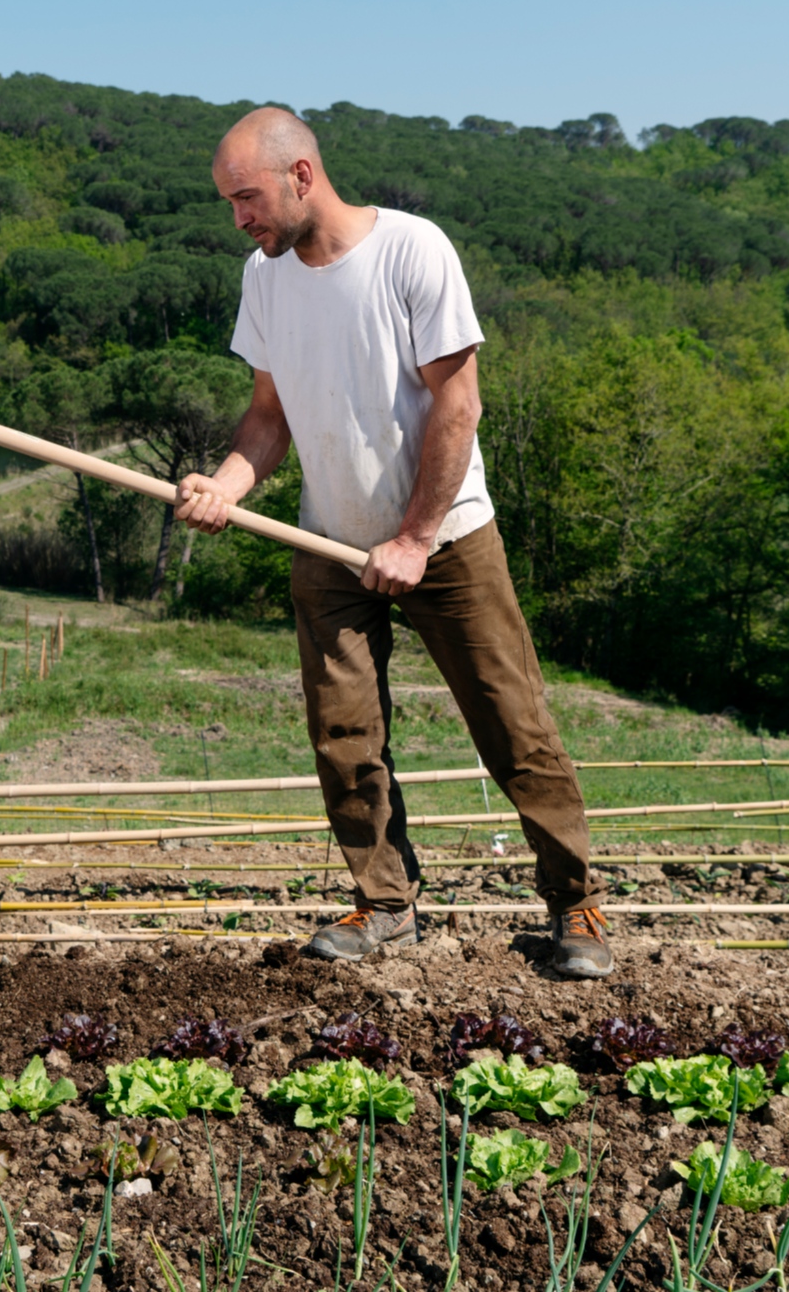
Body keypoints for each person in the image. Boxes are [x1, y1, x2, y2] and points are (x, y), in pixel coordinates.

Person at [174, 107, 613, 978]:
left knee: (512, 723)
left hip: (445, 536)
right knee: (344, 736)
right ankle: (384, 905)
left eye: (248, 198)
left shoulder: (413, 250)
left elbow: (459, 405)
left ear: (302, 175)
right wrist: (227, 483)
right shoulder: (263, 279)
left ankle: (576, 904)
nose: (240, 219)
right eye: (229, 204)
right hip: (329, 540)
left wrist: (414, 538)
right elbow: (269, 416)